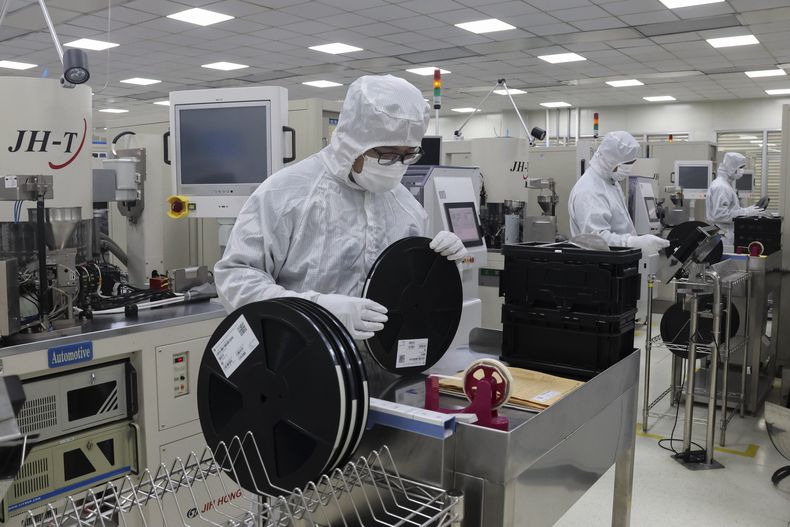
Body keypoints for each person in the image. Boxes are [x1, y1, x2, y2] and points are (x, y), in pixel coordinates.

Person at [215, 75, 467, 340]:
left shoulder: (406, 207)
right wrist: (316, 309)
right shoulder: (285, 194)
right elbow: (236, 279)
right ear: (352, 141)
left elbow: (414, 291)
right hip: (299, 352)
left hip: (380, 360)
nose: (397, 165)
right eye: (387, 153)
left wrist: (443, 268)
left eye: (408, 154)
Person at [568, 131, 670, 255]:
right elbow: (596, 241)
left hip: (618, 260)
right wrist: (632, 242)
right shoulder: (589, 191)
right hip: (602, 263)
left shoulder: (610, 181)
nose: (629, 169)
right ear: (611, 161)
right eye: (628, 164)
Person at [706, 151, 766, 244]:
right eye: (741, 167)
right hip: (724, 237)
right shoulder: (721, 187)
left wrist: (747, 210)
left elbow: (731, 210)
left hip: (726, 234)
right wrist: (746, 212)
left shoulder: (725, 184)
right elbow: (720, 216)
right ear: (732, 168)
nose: (742, 170)